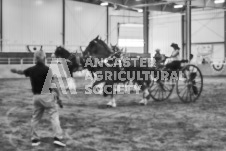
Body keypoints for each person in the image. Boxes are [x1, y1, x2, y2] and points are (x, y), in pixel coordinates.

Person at [11, 50, 66, 147]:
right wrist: (59, 98)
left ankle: (35, 139)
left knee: (35, 118)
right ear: (44, 58)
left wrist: (15, 71)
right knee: (54, 116)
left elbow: (21, 72)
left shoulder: (31, 70)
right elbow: (53, 85)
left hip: (36, 97)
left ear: (35, 59)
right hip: (47, 97)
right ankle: (58, 137)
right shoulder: (47, 70)